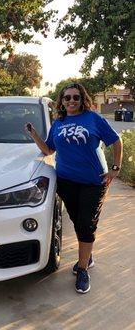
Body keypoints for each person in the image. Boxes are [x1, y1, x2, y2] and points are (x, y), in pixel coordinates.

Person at [25, 83, 123, 294]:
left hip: (93, 183)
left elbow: (116, 141)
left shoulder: (93, 118)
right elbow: (49, 149)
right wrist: (34, 135)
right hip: (66, 182)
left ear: (82, 99)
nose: (71, 101)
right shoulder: (58, 123)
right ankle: (86, 256)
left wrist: (115, 168)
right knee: (78, 221)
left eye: (75, 97)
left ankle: (82, 269)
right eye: (67, 98)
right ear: (61, 101)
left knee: (86, 224)